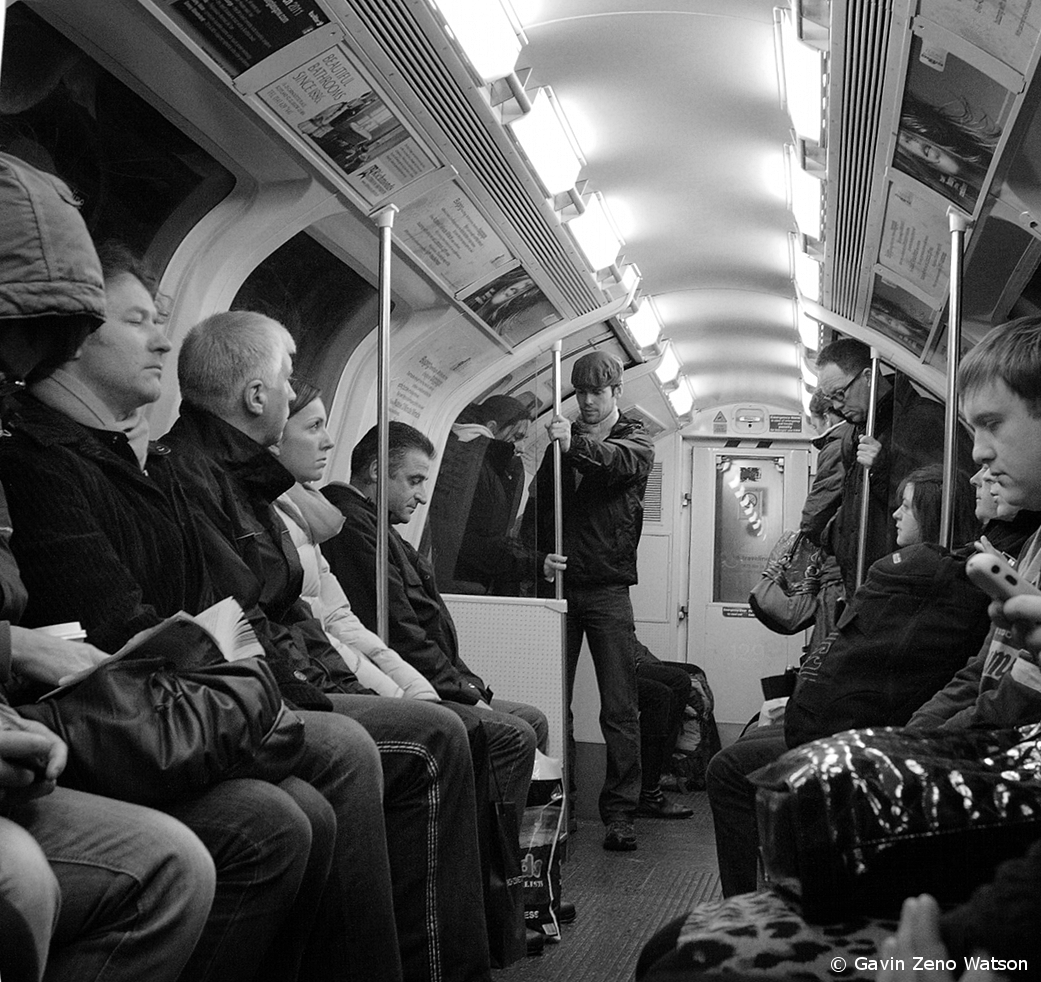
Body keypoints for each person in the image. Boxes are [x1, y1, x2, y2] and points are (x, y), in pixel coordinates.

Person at [0, 238, 403, 982]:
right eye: (137, 322)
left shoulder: (131, 462)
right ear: (78, 338)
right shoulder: (45, 461)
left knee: (304, 803)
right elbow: (127, 627)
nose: (163, 341)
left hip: (172, 695)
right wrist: (254, 687)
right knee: (299, 793)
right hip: (114, 713)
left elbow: (210, 610)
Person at [165, 314, 493, 982]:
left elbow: (314, 621)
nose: (298, 402)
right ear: (256, 396)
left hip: (295, 680)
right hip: (261, 694)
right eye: (290, 384)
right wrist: (322, 696)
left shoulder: (255, 490)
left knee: (455, 727)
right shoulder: (197, 481)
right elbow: (238, 622)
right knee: (430, 737)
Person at [322, 420, 549, 834]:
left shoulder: (382, 531)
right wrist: (463, 691)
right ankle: (484, 856)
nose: (423, 495)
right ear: (376, 471)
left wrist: (469, 685)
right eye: (414, 481)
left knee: (531, 719)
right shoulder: (355, 531)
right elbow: (400, 634)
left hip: (431, 678)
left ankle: (503, 856)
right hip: (406, 685)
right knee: (517, 732)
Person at [529, 349, 653, 852]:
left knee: (620, 706)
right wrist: (535, 561)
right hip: (561, 585)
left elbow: (615, 465)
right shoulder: (560, 444)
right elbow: (540, 509)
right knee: (554, 699)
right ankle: (563, 802)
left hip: (607, 588)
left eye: (596, 392)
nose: (587, 401)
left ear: (616, 392)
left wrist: (572, 443)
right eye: (580, 393)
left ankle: (620, 812)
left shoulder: (636, 438)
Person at [273, 381, 439, 700]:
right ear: (276, 435)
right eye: (314, 427)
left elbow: (338, 619)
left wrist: (412, 691)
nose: (329, 441)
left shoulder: (312, 520)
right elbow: (307, 634)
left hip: (331, 673)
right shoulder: (349, 526)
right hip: (309, 683)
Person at [428, 394, 564, 594]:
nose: (521, 448)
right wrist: (533, 563)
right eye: (517, 437)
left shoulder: (486, 464)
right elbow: (476, 541)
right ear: (491, 427)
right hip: (464, 583)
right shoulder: (474, 467)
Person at [633, 641, 695, 818]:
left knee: (682, 679)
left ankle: (658, 774)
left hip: (631, 659)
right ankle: (650, 787)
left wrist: (651, 663)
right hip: (621, 665)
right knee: (661, 695)